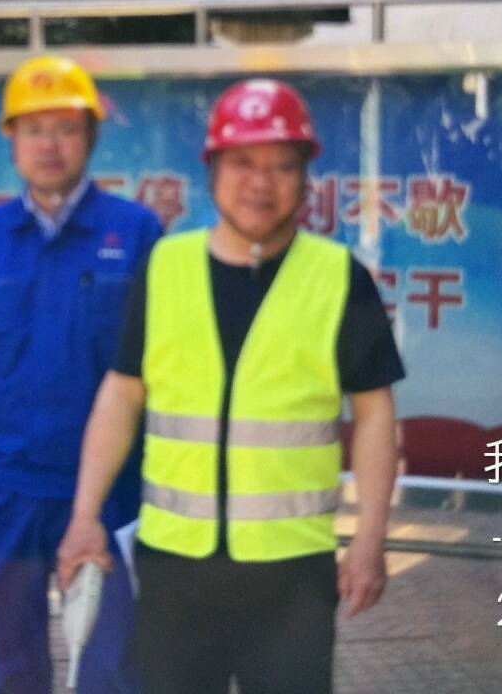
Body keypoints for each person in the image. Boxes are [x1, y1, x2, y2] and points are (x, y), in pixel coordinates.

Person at [56, 77, 405, 694]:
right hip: (174, 567)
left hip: (291, 572)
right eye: (243, 163)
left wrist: (370, 540)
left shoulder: (338, 277)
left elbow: (376, 414)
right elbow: (122, 392)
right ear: (213, 171)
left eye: (281, 166)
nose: (261, 183)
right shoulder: (166, 266)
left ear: (304, 178)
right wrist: (85, 515)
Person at [0, 54, 162, 694]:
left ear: (91, 137)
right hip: (0, 492)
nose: (49, 144)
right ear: (12, 139)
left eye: (65, 128)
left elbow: (162, 369)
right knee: (7, 673)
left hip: (113, 495)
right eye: (34, 129)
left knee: (113, 672)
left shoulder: (137, 234)